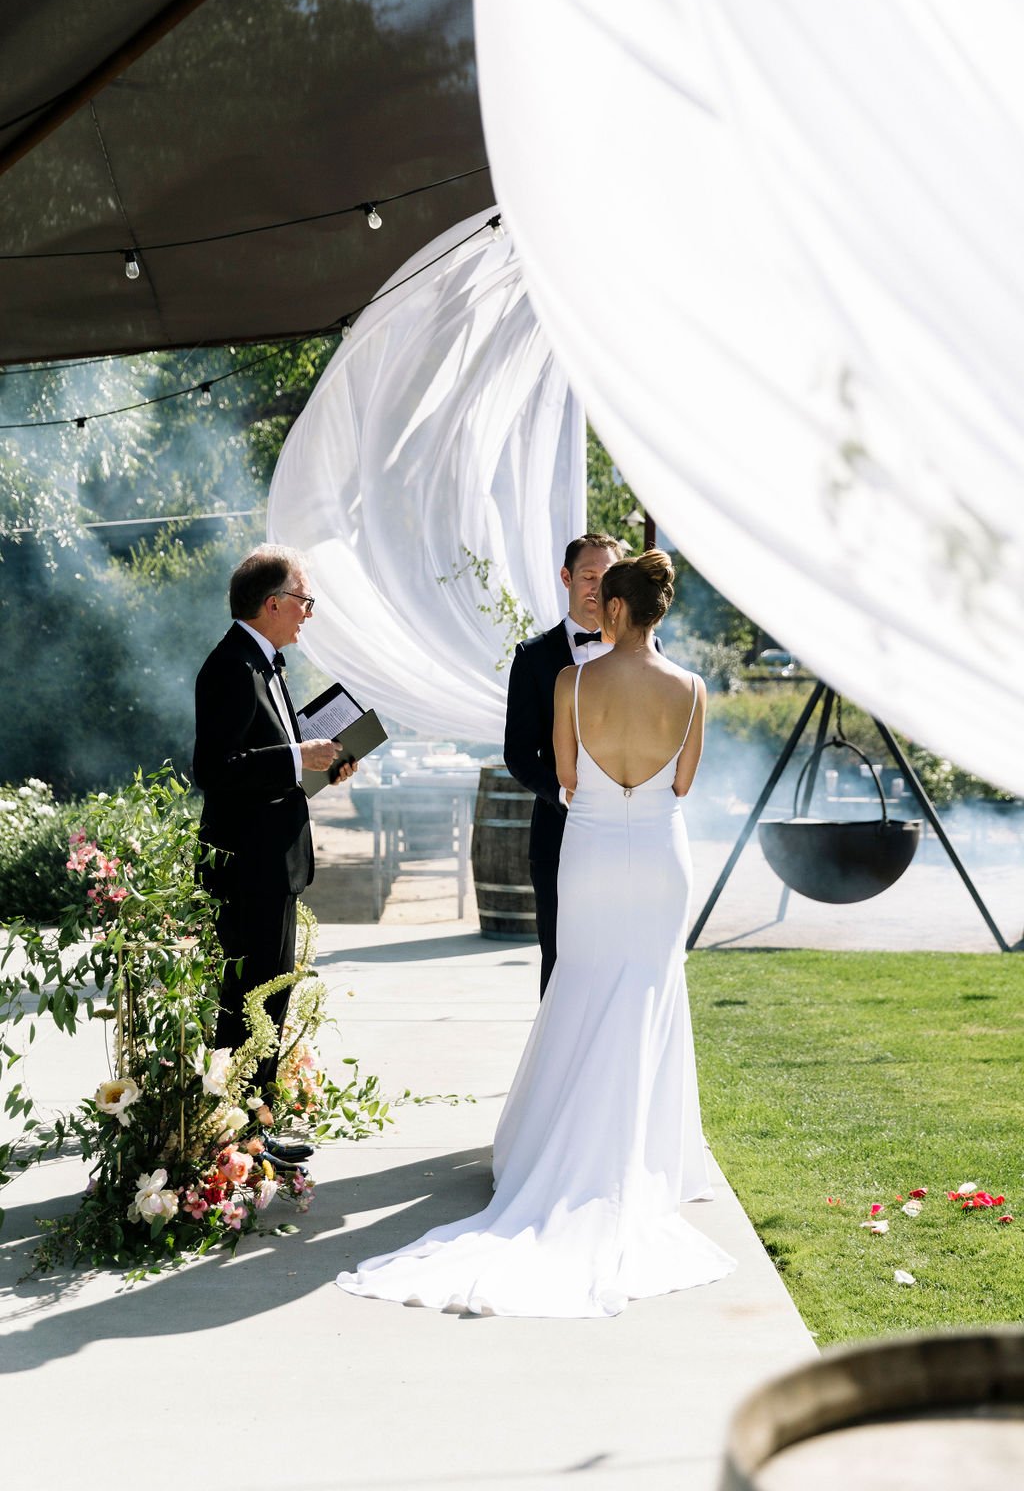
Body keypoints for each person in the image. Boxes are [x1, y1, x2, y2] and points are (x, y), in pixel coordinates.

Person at [336, 549, 735, 1317]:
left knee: (579, 985)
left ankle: (556, 1152)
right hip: (659, 857)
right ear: (658, 611)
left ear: (613, 610)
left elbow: (568, 778)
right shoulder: (692, 689)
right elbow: (683, 785)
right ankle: (646, 1159)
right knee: (651, 993)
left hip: (585, 854)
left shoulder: (571, 681)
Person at [193, 544, 355, 1154]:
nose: (308, 613)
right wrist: (295, 757)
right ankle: (240, 1137)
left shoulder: (267, 662)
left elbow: (264, 766)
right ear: (272, 604)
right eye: (303, 601)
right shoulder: (230, 666)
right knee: (246, 1005)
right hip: (248, 869)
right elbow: (214, 768)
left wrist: (318, 766)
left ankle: (253, 1128)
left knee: (270, 1000)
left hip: (273, 863)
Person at [503, 532, 622, 998]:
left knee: (619, 958)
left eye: (608, 577)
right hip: (559, 835)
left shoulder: (646, 655)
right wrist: (565, 795)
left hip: (626, 836)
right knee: (560, 959)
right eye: (588, 576)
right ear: (567, 578)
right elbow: (518, 755)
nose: (597, 588)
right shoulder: (533, 657)